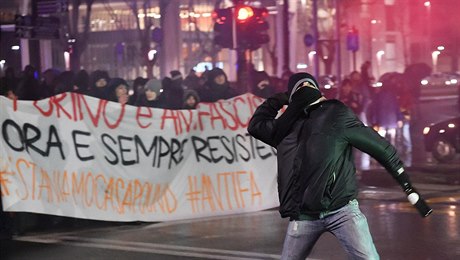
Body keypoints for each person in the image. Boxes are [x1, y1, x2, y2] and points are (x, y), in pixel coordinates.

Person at [247, 72, 431, 260]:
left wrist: (406, 185)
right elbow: (255, 126)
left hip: (342, 211)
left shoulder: (335, 114)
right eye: (299, 90)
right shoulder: (286, 127)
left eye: (306, 88)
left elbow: (381, 149)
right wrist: (279, 99)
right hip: (304, 215)